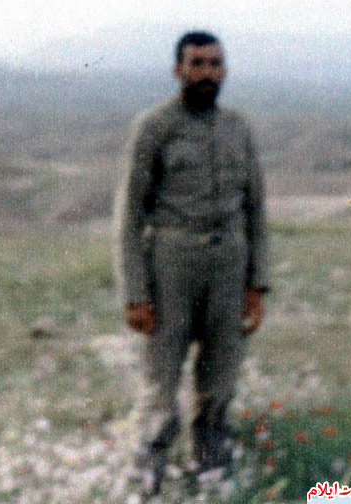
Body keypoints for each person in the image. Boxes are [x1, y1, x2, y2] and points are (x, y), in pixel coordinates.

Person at [115, 30, 268, 497]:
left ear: (225, 70)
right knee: (160, 387)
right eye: (197, 63)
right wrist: (135, 293)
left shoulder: (238, 128)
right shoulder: (155, 127)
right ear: (178, 70)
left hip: (229, 268)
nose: (207, 73)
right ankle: (145, 483)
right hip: (172, 267)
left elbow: (255, 210)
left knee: (219, 385)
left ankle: (212, 478)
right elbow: (130, 214)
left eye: (215, 64)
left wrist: (257, 285)